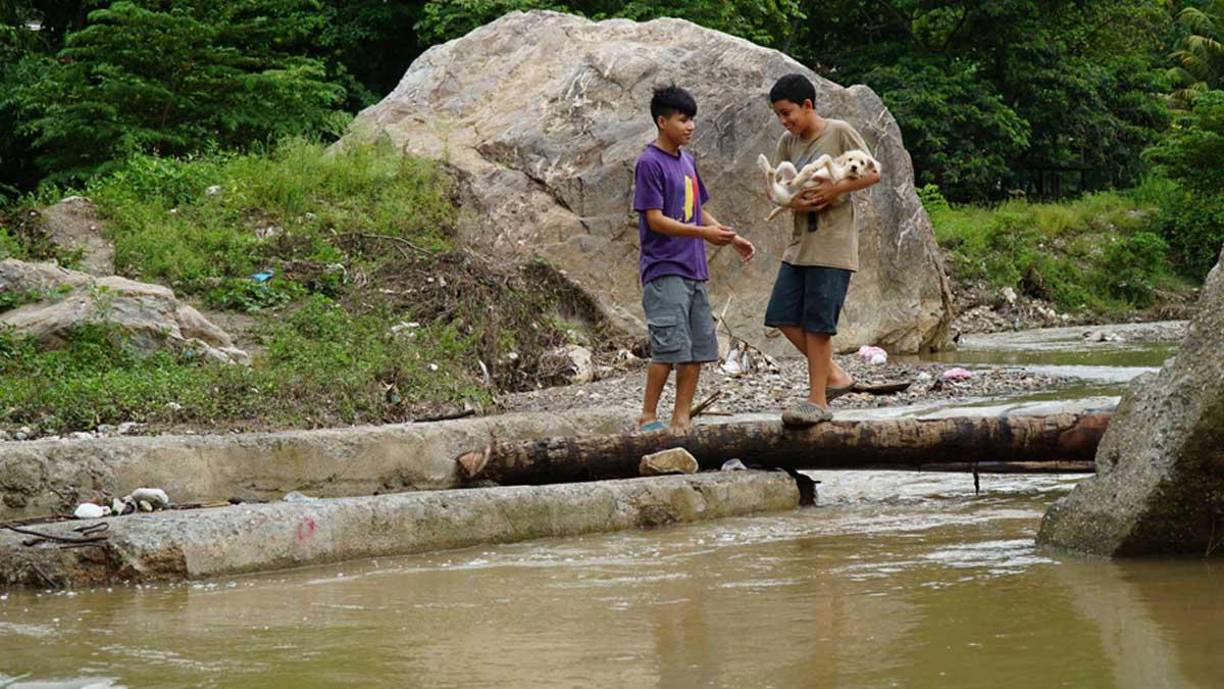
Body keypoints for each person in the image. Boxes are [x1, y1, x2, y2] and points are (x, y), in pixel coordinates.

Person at [633, 85, 755, 431]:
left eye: (692, 120)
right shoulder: (648, 163)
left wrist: (731, 239)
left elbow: (697, 210)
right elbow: (654, 219)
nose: (690, 126)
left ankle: (681, 418)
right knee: (668, 349)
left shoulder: (687, 161)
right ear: (662, 121)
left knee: (699, 349)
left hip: (694, 270)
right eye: (683, 120)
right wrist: (704, 235)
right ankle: (648, 417)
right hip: (664, 269)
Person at [764, 74, 881, 426]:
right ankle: (835, 376)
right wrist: (784, 195)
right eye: (779, 116)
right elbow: (775, 185)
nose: (785, 122)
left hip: (832, 243)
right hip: (800, 242)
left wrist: (833, 191)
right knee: (781, 315)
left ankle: (818, 401)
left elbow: (873, 173)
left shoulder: (839, 131)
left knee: (817, 324)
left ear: (808, 105)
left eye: (788, 113)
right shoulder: (788, 143)